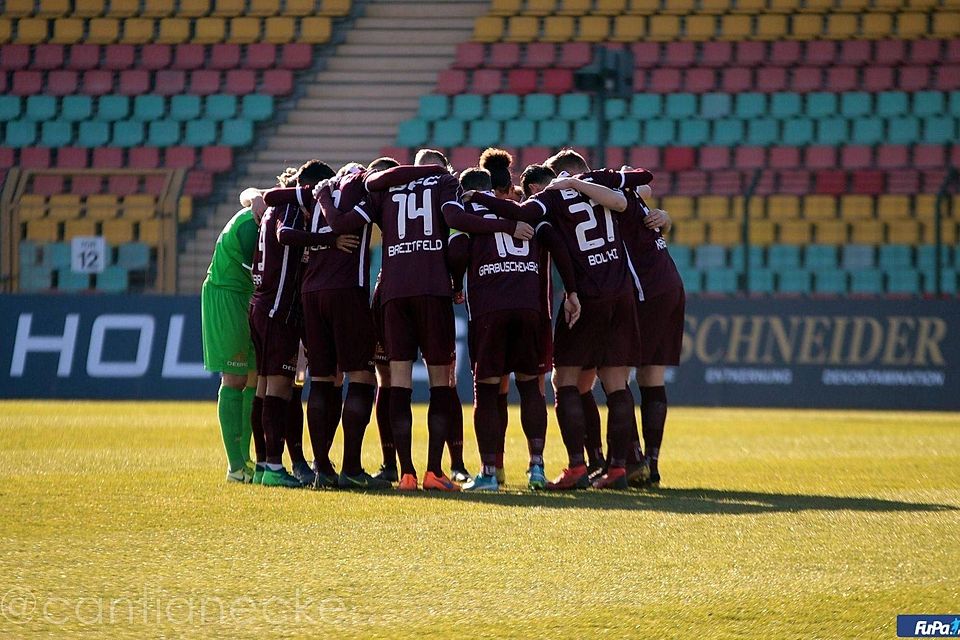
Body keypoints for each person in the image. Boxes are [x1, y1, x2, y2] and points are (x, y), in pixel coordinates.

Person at [323, 149, 533, 491]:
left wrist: (323, 198)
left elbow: (346, 219)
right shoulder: (445, 182)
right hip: (432, 289)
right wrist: (507, 226)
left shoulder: (387, 188)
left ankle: (405, 472)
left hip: (393, 292)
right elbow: (455, 218)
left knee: (397, 382)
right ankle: (435, 471)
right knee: (440, 382)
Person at [466, 149, 642, 490]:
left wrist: (476, 198)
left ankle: (576, 465)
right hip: (621, 293)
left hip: (585, 295)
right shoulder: (600, 191)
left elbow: (521, 215)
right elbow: (640, 185)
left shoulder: (548, 200)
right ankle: (618, 467)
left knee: (565, 382)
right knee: (616, 383)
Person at [449, 166, 580, 491]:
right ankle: (537, 468)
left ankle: (489, 473)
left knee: (487, 389)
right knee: (530, 387)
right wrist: (571, 291)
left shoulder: (468, 213)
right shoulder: (525, 211)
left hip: (490, 309)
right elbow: (557, 244)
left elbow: (458, 250)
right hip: (529, 308)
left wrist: (456, 283)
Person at [249, 160, 337, 488]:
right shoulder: (289, 206)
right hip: (277, 310)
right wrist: (325, 239)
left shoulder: (275, 205)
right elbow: (285, 235)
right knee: (279, 388)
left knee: (264, 387)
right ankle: (274, 466)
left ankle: (263, 464)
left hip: (263, 306)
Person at [201, 189, 266, 483]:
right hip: (226, 294)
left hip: (245, 295)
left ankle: (245, 458)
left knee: (253, 376)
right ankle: (235, 466)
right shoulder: (251, 228)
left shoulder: (260, 216)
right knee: (235, 377)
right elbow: (263, 274)